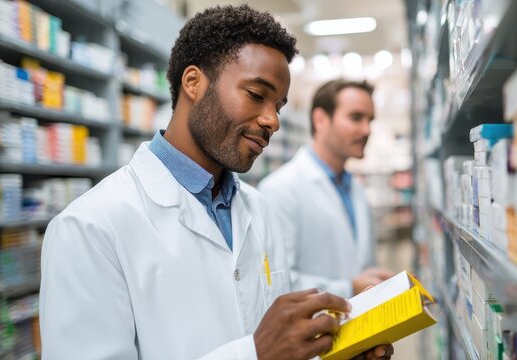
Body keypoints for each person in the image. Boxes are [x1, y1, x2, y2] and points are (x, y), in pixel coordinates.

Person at [39, 5, 393, 360]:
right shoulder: (88, 228)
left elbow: (278, 341)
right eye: (256, 95)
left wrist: (334, 352)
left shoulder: (258, 210)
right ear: (193, 82)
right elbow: (263, 348)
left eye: (279, 106)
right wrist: (255, 354)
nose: (272, 120)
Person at [259, 80, 395, 299]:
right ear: (320, 119)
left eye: (370, 120)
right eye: (356, 118)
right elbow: (275, 283)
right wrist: (349, 287)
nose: (367, 130)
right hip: (312, 330)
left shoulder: (355, 188)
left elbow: (359, 263)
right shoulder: (279, 190)